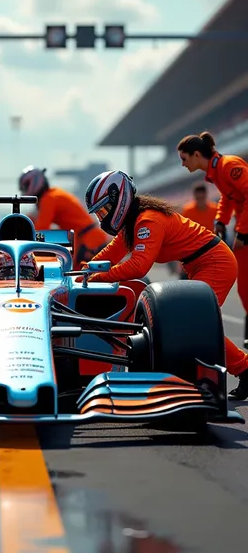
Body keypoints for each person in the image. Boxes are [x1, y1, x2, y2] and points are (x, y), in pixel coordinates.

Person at [84, 169, 248, 399]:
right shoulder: (134, 221)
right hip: (201, 263)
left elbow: (139, 266)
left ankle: (244, 368)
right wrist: (84, 270)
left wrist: (98, 277)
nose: (102, 217)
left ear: (117, 199)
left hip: (216, 262)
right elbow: (110, 253)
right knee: (193, 325)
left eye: (103, 210)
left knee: (196, 325)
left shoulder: (147, 220)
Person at [177, 131, 248, 348]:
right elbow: (228, 198)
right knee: (244, 287)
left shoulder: (228, 166)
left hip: (245, 230)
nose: (183, 164)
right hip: (242, 228)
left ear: (197, 154)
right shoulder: (217, 173)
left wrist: (243, 232)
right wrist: (220, 221)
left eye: (184, 159)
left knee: (245, 286)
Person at [18, 166, 109, 268]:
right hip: (88, 238)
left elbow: (41, 230)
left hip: (88, 241)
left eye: (25, 186)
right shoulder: (53, 194)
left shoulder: (48, 199)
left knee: (83, 278)